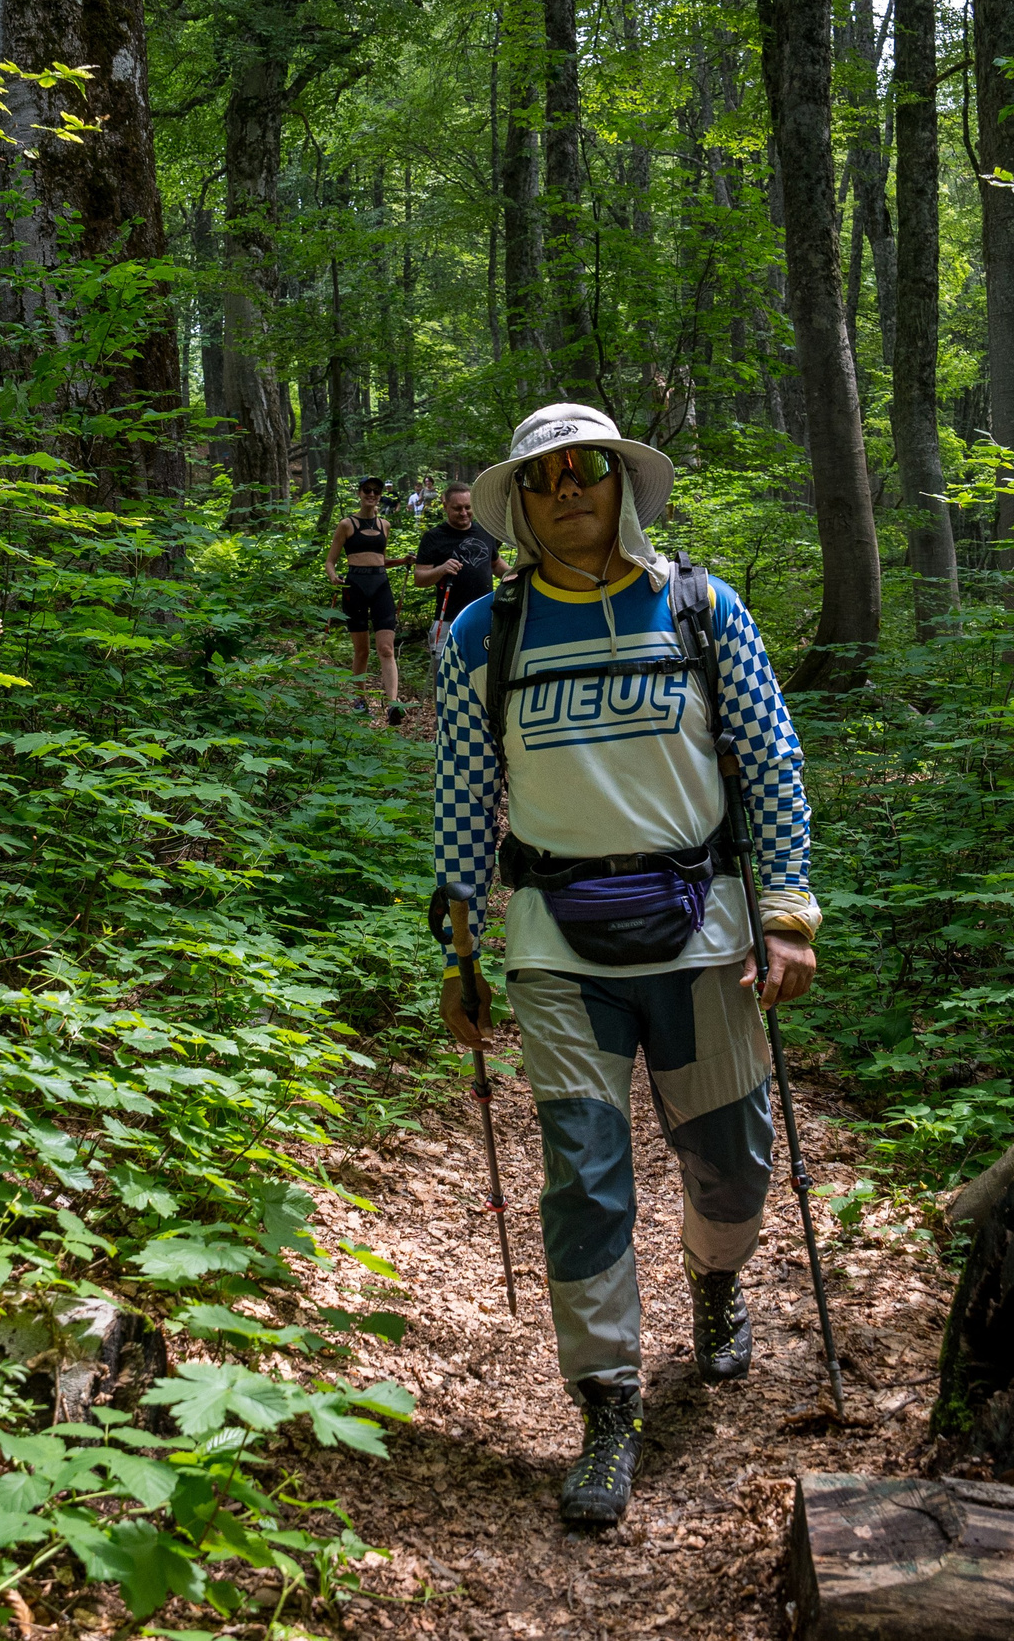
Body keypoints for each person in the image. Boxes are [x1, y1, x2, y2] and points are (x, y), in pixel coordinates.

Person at [432, 404, 820, 1526]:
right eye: (543, 477)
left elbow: (769, 759)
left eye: (586, 469)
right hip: (557, 944)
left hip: (705, 931)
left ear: (620, 483)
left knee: (732, 1167)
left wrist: (786, 916)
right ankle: (607, 1405)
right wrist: (460, 946)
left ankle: (716, 1279)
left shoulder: (698, 609)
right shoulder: (480, 636)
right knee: (587, 1176)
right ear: (519, 500)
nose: (567, 491)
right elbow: (464, 795)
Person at [323, 476, 406, 724]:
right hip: (354, 586)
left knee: (386, 648)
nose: (372, 494)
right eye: (367, 490)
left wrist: (403, 561)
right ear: (359, 493)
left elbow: (380, 559)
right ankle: (358, 700)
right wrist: (333, 577)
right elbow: (330, 560)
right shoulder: (347, 525)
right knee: (362, 651)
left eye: (376, 491)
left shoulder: (385, 525)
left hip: (380, 585)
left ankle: (392, 704)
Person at [413, 481, 506, 656]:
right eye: (457, 508)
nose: (464, 513)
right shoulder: (433, 538)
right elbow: (419, 578)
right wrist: (441, 569)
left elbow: (496, 564)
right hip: (448, 619)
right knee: (443, 676)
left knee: (482, 672)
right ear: (445, 506)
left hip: (484, 617)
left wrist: (520, 574)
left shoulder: (485, 531)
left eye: (468, 507)